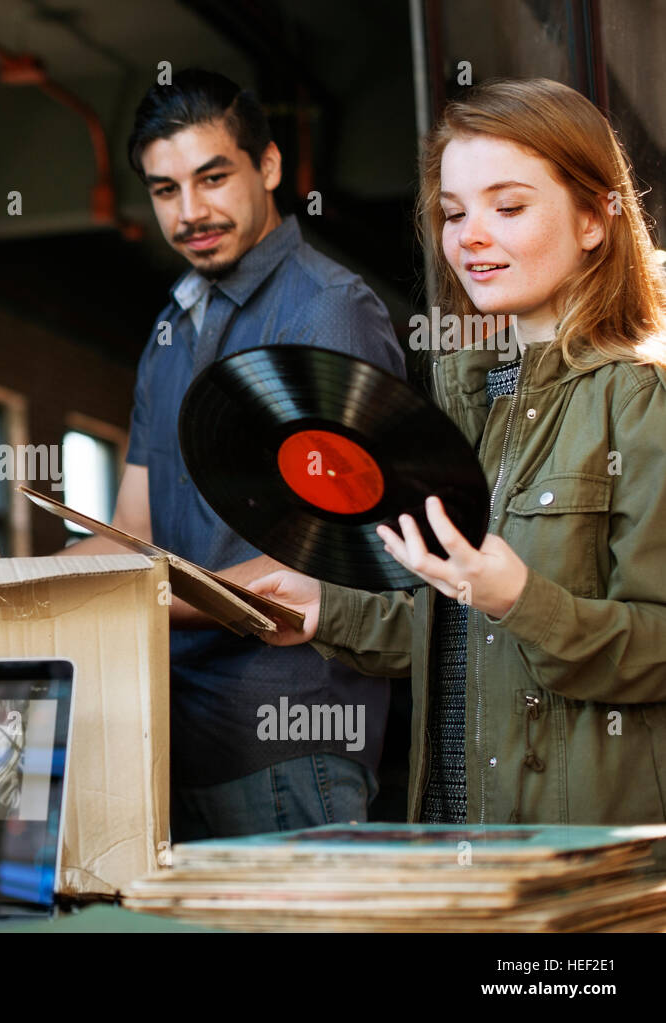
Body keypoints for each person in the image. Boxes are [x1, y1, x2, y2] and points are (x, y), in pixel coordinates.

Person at [249, 78, 666, 826]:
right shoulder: (464, 398)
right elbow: (462, 640)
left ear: (595, 220)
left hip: (585, 860)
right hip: (455, 834)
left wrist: (519, 599)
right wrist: (327, 610)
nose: (470, 234)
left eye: (508, 207)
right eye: (452, 212)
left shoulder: (643, 398)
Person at [68, 69, 406, 840]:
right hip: (168, 728)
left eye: (212, 177)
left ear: (271, 167)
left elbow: (330, 563)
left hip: (290, 735)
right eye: (164, 190)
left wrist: (107, 604)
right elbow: (130, 532)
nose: (190, 212)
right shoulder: (170, 328)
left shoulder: (328, 311)